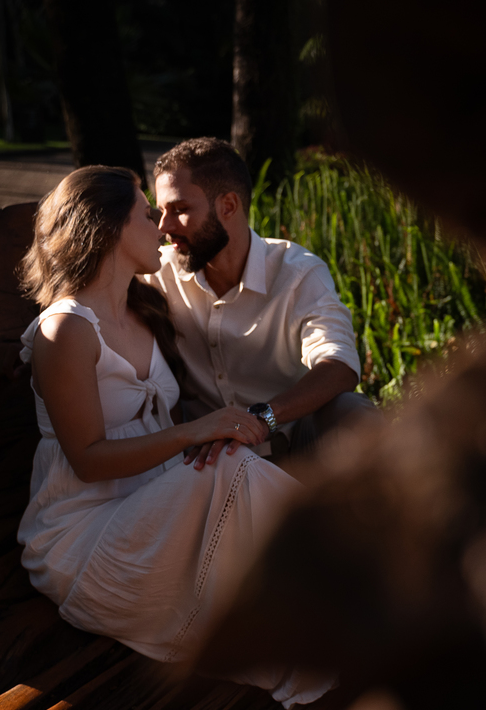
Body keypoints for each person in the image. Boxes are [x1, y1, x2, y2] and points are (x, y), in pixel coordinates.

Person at [17, 165, 331, 709]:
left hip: (153, 508)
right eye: (147, 215)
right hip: (85, 537)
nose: (161, 228)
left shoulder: (142, 308)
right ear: (110, 229)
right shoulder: (65, 328)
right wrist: (197, 430)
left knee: (229, 461)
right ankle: (367, 582)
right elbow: (88, 460)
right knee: (231, 465)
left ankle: (353, 591)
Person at [147, 137, 377, 469]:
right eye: (161, 211)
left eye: (180, 210)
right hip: (209, 461)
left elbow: (339, 364)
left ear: (228, 206)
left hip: (296, 445)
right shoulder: (157, 274)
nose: (164, 227)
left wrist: (261, 418)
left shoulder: (297, 272)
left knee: (353, 412)